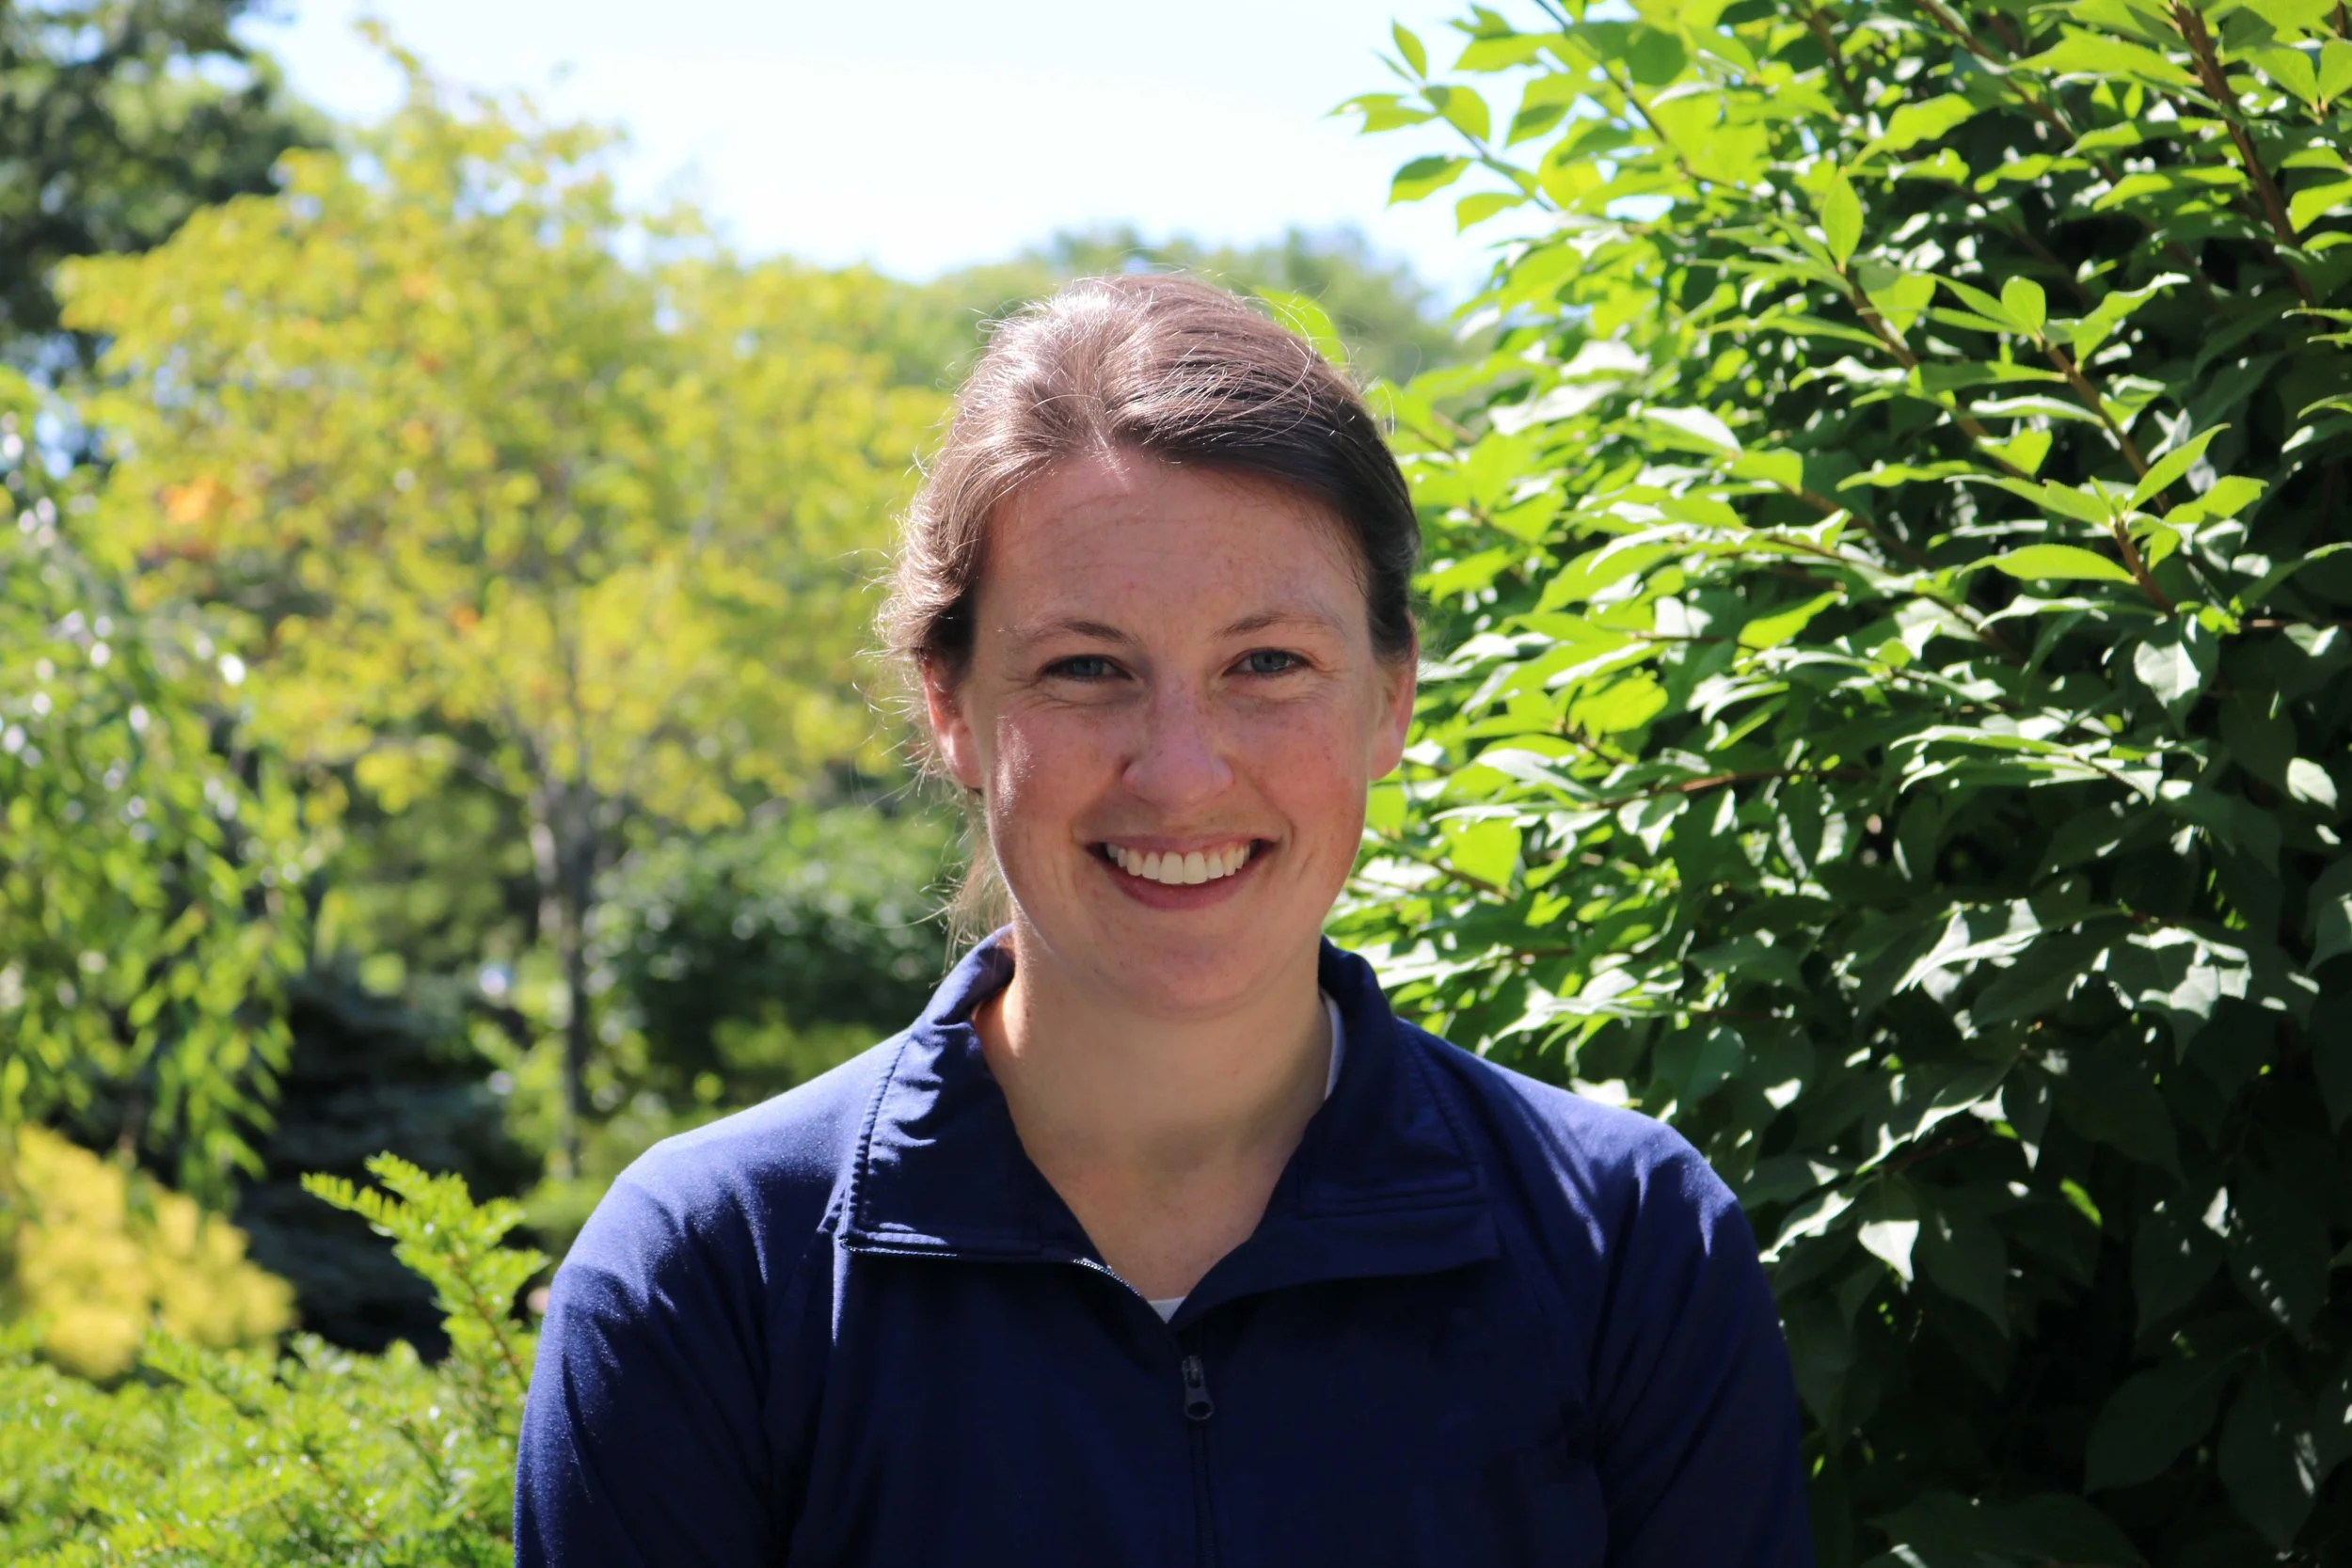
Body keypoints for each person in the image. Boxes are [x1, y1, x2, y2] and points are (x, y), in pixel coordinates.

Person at [514, 275, 1812, 1566]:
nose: (1181, 772)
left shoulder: (1630, 1247)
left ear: (1391, 697)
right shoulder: (708, 1275)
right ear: (953, 704)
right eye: (1087, 668)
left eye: (1267, 664)